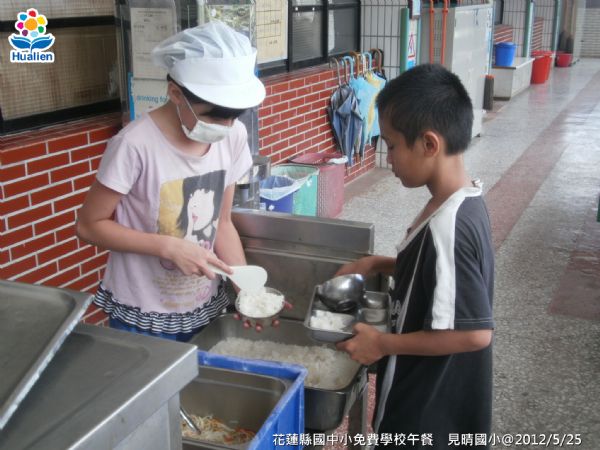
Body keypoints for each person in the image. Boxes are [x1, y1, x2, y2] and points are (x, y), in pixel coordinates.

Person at [335, 64, 495, 449]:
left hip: (429, 415)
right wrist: (379, 263)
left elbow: (473, 333)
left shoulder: (448, 226)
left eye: (391, 145)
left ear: (428, 144)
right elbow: (438, 274)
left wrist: (382, 344)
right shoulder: (460, 199)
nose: (388, 157)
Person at [76, 21, 266, 342]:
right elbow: (88, 226)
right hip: (143, 310)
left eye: (235, 115)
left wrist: (249, 293)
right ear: (176, 93)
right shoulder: (134, 145)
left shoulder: (233, 136)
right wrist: (168, 247)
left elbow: (222, 224)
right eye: (214, 115)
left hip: (202, 305)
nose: (227, 125)